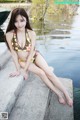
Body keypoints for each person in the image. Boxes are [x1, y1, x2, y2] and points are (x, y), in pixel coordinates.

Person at [5, 8, 73, 107]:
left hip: (34, 55)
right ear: (12, 21)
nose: (19, 24)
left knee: (49, 73)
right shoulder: (10, 34)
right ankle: (58, 94)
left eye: (22, 20)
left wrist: (25, 70)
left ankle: (67, 95)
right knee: (41, 73)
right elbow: (14, 53)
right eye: (16, 21)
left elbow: (32, 52)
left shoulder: (31, 33)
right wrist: (19, 69)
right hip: (22, 60)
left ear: (26, 19)